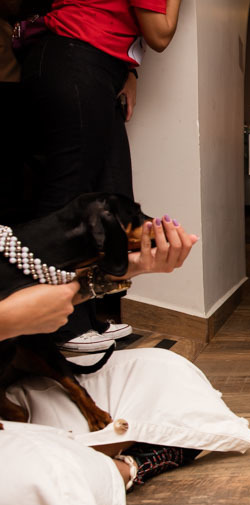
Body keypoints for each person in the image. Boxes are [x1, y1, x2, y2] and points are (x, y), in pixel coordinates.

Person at [0, 218, 250, 505]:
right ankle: (125, 468)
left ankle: (89, 455)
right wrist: (7, 319)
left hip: (13, 385)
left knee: (167, 371)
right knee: (27, 494)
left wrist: (136, 266)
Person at [19, 0, 182, 352]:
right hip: (74, 58)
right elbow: (160, 33)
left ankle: (84, 315)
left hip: (92, 63)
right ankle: (53, 328)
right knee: (66, 201)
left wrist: (128, 71)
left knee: (107, 194)